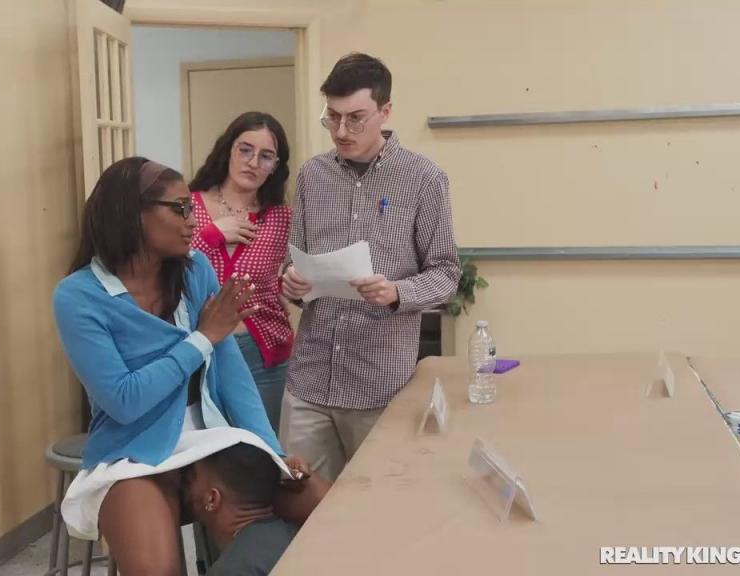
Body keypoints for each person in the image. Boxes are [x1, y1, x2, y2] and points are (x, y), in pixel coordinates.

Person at [52, 157, 323, 576]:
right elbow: (124, 401)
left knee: (322, 505)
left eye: (191, 208)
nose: (193, 221)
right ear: (132, 215)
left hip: (214, 439)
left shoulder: (195, 272)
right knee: (156, 569)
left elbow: (233, 378)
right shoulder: (78, 296)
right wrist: (202, 338)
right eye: (180, 209)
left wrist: (273, 452)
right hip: (132, 451)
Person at [280, 53, 460, 482]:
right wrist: (291, 282)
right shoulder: (312, 176)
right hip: (309, 381)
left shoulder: (423, 179)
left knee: (377, 505)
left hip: (380, 385)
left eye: (356, 118)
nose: (341, 131)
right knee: (299, 502)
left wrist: (397, 292)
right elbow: (293, 259)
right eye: (333, 117)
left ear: (386, 111)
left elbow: (446, 273)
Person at [189, 111, 293, 432]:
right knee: (208, 450)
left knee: (260, 450)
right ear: (228, 149)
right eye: (245, 150)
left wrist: (291, 284)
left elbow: (289, 275)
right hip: (200, 350)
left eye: (266, 156)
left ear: (275, 166)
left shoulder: (281, 218)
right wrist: (211, 236)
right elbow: (169, 267)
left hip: (263, 354)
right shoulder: (188, 205)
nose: (253, 163)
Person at [183, 443, 299, 576]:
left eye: (192, 478)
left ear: (212, 499)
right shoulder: (300, 534)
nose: (186, 487)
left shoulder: (231, 570)